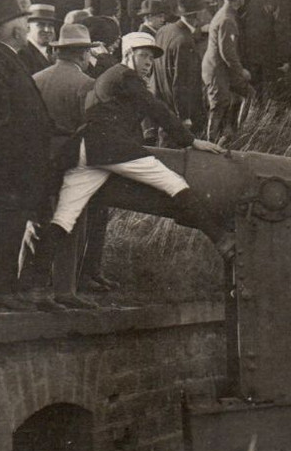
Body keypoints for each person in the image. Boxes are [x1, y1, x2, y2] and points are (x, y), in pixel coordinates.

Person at [29, 30, 234, 272]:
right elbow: (154, 107)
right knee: (174, 183)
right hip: (109, 147)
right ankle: (221, 239)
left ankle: (31, 284)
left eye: (151, 58)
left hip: (88, 149)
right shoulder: (126, 75)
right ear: (128, 55)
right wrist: (190, 141)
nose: (149, 63)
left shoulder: (113, 76)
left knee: (64, 217)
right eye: (143, 56)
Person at [0, 0, 65, 309]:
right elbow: (0, 119)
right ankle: (0, 290)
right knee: (7, 224)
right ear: (12, 25)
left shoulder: (6, 57)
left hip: (20, 161)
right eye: (24, 19)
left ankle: (11, 288)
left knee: (15, 222)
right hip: (9, 162)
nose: (27, 26)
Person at [33, 23, 108, 305]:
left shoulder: (36, 78)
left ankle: (30, 283)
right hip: (70, 157)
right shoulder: (86, 84)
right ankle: (64, 290)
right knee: (71, 221)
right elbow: (90, 127)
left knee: (38, 220)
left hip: (38, 156)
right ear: (81, 54)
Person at [202, 0, 253, 142]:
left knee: (242, 95)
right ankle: (211, 142)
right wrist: (241, 71)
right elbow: (227, 52)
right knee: (218, 105)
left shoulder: (227, 14)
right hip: (218, 70)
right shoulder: (227, 19)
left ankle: (229, 134)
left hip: (221, 69)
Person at [156, 0, 209, 134]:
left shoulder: (164, 30)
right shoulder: (184, 42)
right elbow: (181, 81)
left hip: (164, 102)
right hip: (182, 110)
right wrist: (184, 116)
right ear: (197, 15)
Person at [244, 0, 291, 95]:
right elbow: (281, 32)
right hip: (269, 56)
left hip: (253, 53)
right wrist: (284, 59)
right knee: (271, 93)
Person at [18, 4, 59, 75]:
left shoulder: (52, 53)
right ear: (28, 27)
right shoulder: (22, 54)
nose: (47, 30)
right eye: (41, 25)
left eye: (50, 25)